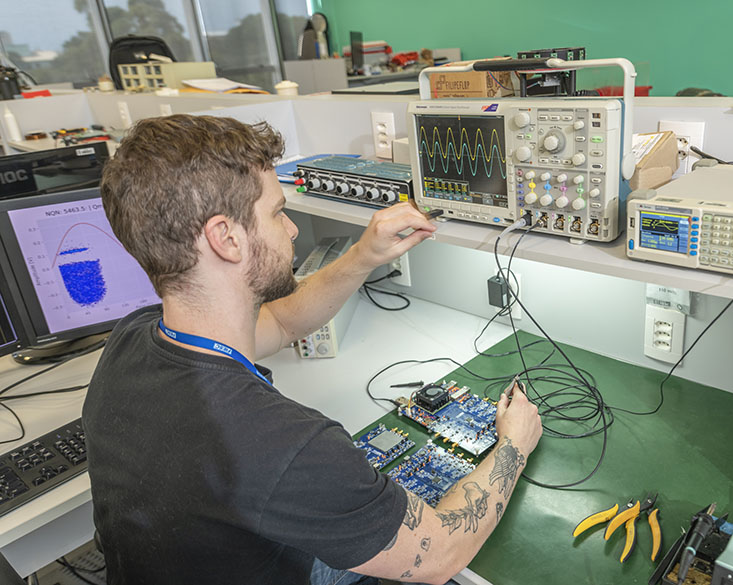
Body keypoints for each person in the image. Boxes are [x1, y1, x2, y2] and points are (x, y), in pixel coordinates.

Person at [83, 114, 542, 585]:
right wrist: (514, 445)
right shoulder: (280, 443)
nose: (293, 230)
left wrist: (364, 255)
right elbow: (440, 554)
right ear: (227, 238)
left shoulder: (131, 339)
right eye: (277, 213)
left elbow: (282, 321)